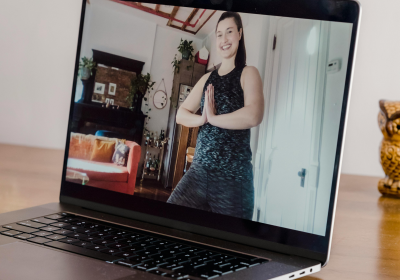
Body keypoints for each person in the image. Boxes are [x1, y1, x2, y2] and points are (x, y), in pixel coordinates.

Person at [167, 11, 264, 220]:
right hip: (199, 172)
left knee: (230, 245)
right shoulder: (206, 79)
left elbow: (254, 115)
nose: (223, 39)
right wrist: (202, 119)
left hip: (233, 180)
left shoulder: (249, 73)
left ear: (239, 34)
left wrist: (213, 118)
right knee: (167, 223)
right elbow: (181, 115)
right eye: (219, 34)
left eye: (229, 32)